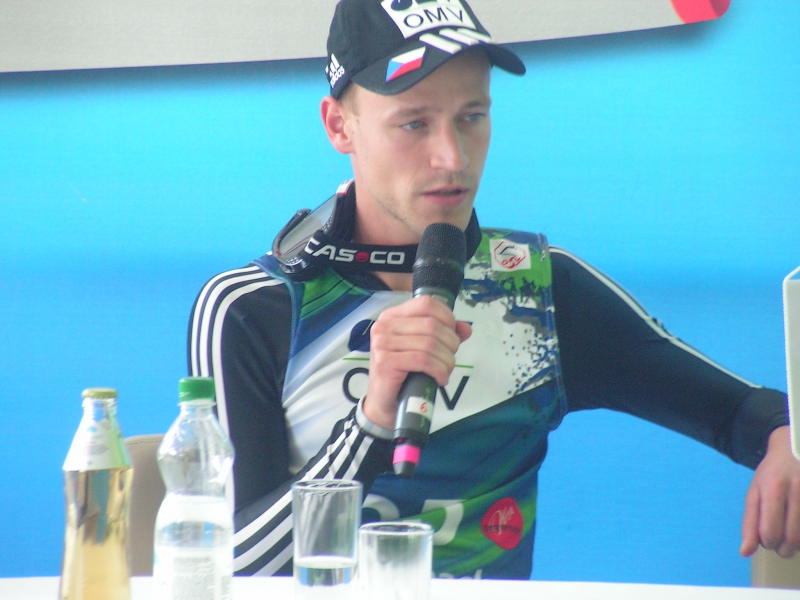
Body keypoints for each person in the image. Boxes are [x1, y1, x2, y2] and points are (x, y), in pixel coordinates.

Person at [188, 0, 800, 579]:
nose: (452, 158)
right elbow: (234, 570)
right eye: (414, 123)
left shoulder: (538, 289)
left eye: (471, 117)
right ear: (339, 125)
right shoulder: (251, 307)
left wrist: (785, 441)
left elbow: (744, 412)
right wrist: (372, 421)